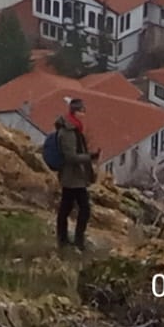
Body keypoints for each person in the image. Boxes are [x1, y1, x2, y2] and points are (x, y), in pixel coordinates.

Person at [55, 96, 99, 251]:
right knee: (82, 209)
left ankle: (65, 240)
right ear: (76, 112)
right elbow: (70, 156)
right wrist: (90, 157)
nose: (84, 114)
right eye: (82, 111)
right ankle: (75, 241)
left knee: (66, 208)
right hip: (72, 177)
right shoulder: (68, 131)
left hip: (74, 176)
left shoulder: (73, 128)